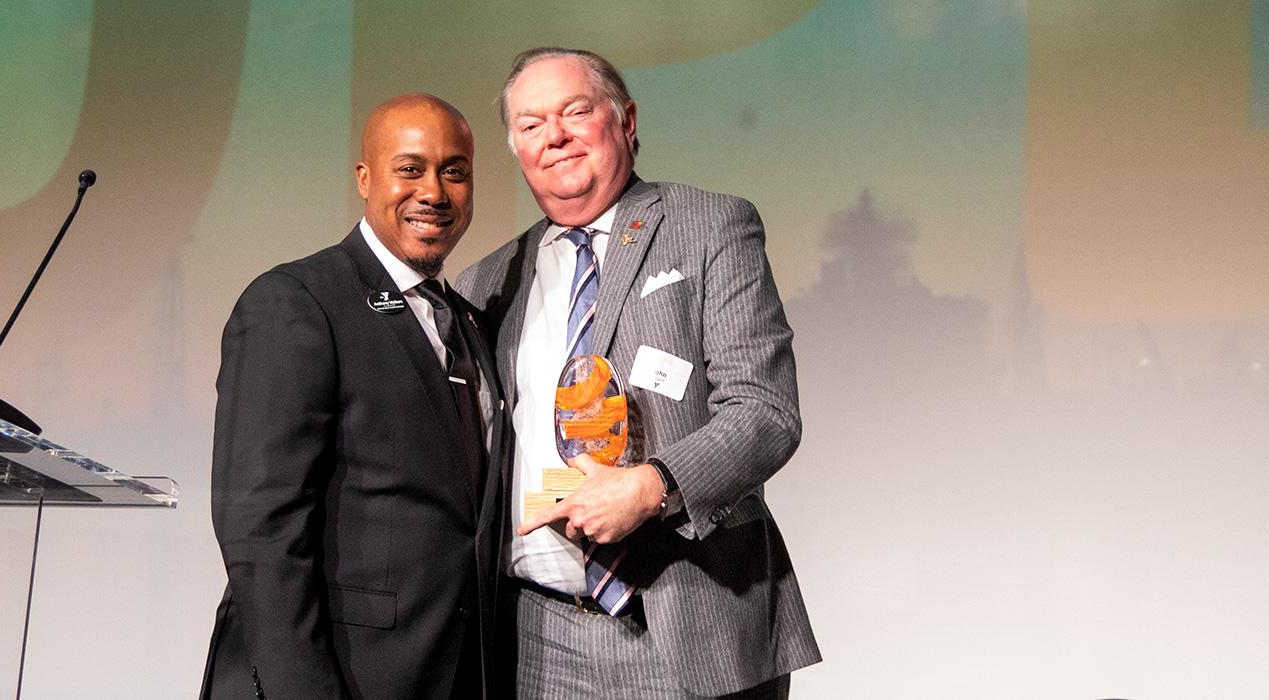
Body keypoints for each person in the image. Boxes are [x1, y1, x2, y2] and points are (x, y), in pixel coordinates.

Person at [456, 48, 819, 699]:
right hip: (536, 638)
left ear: (625, 120)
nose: (555, 136)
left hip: (684, 625)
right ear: (515, 148)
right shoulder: (485, 283)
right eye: (531, 124)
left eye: (574, 112)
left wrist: (654, 485)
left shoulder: (709, 227)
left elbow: (766, 411)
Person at [203, 93, 505, 699]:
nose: (435, 192)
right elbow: (261, 524)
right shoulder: (296, 301)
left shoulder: (470, 323)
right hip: (334, 677)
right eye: (410, 168)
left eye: (455, 171)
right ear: (365, 179)